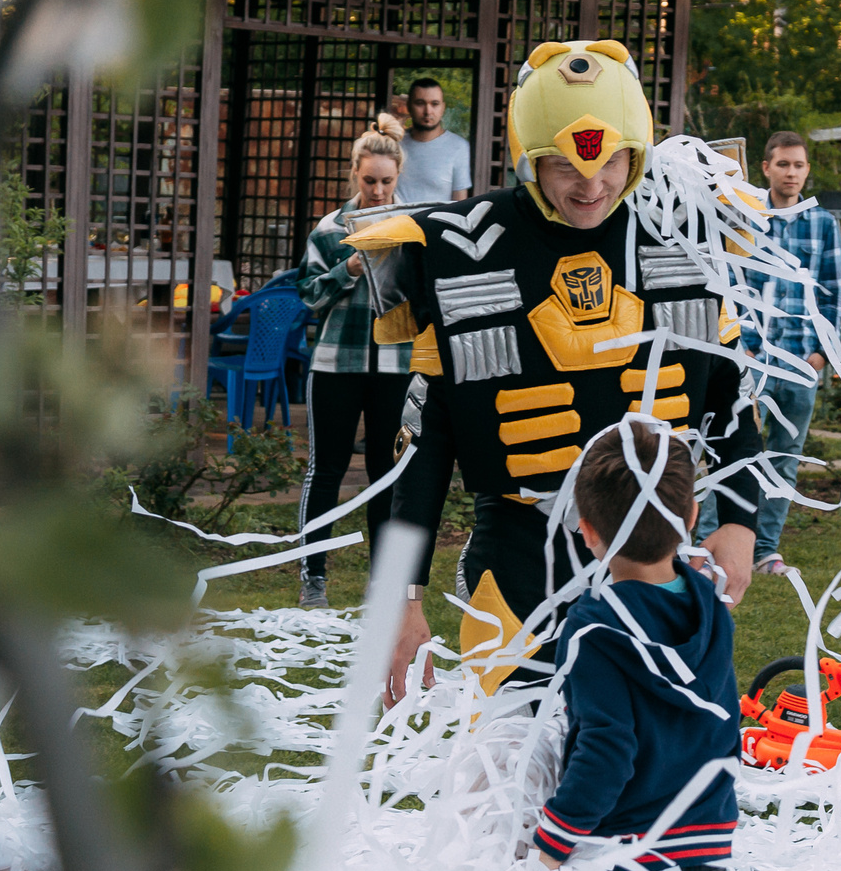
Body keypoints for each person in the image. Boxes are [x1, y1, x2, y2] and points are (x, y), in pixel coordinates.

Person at [347, 41, 762, 706]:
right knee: (506, 767)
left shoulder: (684, 239)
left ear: (637, 149)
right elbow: (422, 449)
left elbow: (730, 402)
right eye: (565, 162)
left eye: (611, 159)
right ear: (528, 151)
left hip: (654, 560)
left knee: (644, 771)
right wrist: (404, 596)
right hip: (518, 561)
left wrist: (740, 522)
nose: (590, 183)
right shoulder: (454, 250)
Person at [524, 419, 738, 871]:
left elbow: (607, 752)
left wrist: (552, 840)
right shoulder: (710, 606)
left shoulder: (594, 629)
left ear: (586, 531)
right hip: (706, 862)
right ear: (693, 519)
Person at [699, 130, 841, 577]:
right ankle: (707, 545)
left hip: (800, 362)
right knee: (732, 452)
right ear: (766, 168)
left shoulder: (823, 224)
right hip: (748, 360)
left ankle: (765, 550)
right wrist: (736, 350)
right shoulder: (746, 215)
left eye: (799, 165)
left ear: (807, 170)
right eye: (783, 164)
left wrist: (821, 354)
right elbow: (727, 281)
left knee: (785, 456)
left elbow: (833, 292)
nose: (792, 173)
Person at [291, 116, 415, 609]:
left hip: (395, 365)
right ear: (354, 175)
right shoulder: (329, 229)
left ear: (398, 176)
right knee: (328, 470)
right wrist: (349, 267)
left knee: (386, 472)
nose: (379, 189)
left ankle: (381, 586)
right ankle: (313, 579)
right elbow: (306, 296)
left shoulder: (414, 226)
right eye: (369, 181)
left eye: (387, 181)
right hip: (336, 365)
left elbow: (424, 295)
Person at [395, 76, 473, 204]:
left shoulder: (459, 147)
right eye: (420, 103)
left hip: (436, 222)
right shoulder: (395, 144)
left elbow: (460, 201)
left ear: (443, 107)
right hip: (397, 221)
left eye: (434, 104)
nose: (428, 111)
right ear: (409, 106)